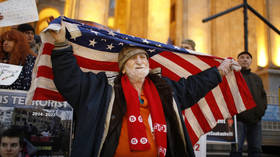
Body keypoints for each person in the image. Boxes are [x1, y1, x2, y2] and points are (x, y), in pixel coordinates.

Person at [47, 27, 239, 157]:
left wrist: (220, 70)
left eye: (143, 58)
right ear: (123, 68)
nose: (140, 61)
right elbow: (70, 81)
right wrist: (62, 45)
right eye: (133, 59)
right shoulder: (102, 88)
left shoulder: (164, 89)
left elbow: (193, 87)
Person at [230, 51, 267, 157]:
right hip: (239, 120)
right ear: (238, 60)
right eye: (242, 57)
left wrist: (261, 112)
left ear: (251, 61)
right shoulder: (233, 76)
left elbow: (263, 96)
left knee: (256, 149)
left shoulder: (257, 78)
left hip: (255, 120)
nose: (245, 59)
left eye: (247, 58)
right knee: (236, 149)